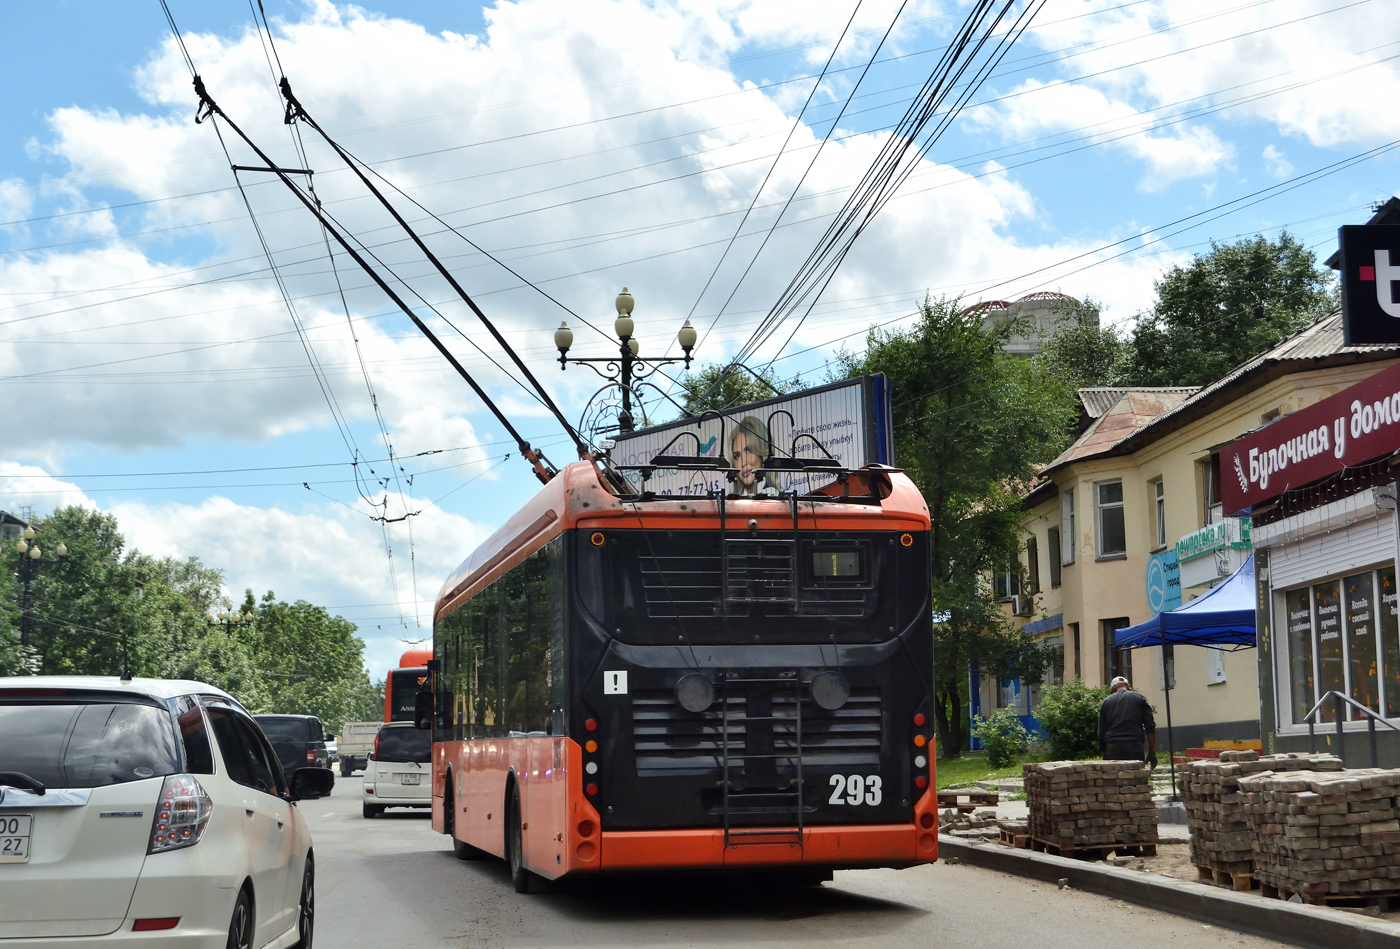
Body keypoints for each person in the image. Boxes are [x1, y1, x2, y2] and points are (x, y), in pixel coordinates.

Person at [1098, 676, 1158, 768]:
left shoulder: (1107, 701)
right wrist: (1152, 752)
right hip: (1135, 745)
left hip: (1113, 746)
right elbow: (1150, 727)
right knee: (1136, 778)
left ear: (1113, 688)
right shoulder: (1140, 698)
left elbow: (1101, 731)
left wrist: (1103, 752)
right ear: (1128, 687)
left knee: (1115, 779)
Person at [729, 416, 781, 496]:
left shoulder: (777, 497)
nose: (743, 463)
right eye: (737, 456)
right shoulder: (728, 503)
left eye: (748, 450)